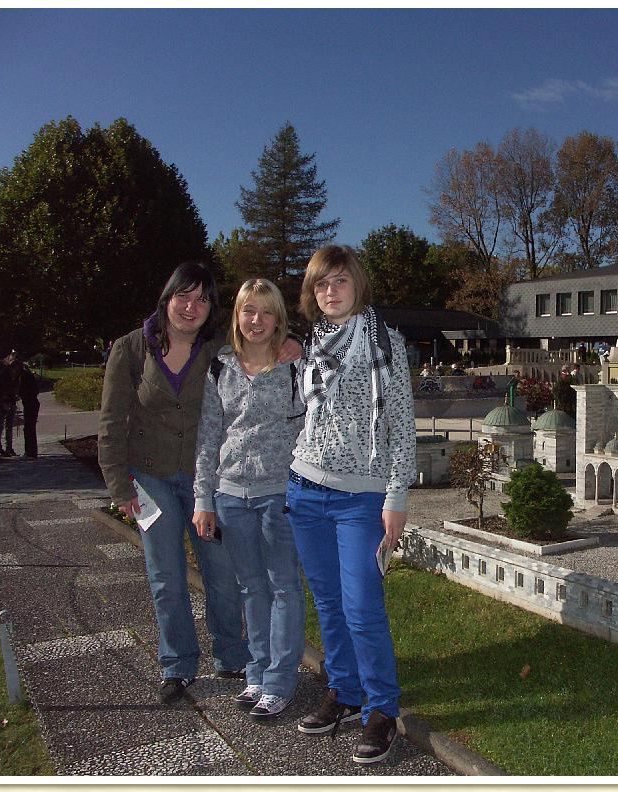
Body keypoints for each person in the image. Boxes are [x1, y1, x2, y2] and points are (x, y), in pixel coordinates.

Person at [98, 262, 257, 705]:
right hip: (150, 480)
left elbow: (267, 339)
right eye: (183, 296)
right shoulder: (131, 348)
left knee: (221, 573)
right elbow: (111, 421)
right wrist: (119, 486)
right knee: (166, 576)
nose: (191, 307)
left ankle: (232, 655)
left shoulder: (220, 350)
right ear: (167, 298)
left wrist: (293, 343)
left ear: (212, 307)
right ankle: (177, 664)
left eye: (202, 299)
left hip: (206, 480)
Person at [287, 245, 416, 765]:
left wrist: (396, 497)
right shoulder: (314, 343)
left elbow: (401, 425)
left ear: (357, 284)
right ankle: (344, 691)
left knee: (362, 608)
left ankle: (381, 708)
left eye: (339, 280)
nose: (330, 291)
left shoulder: (385, 342)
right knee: (328, 603)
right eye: (321, 284)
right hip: (305, 489)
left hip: (360, 497)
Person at [191, 279, 306, 720]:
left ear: (278, 318)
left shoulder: (296, 365)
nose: (256, 320)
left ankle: (280, 680)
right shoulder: (221, 367)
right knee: (251, 587)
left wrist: (300, 343)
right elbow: (208, 436)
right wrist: (203, 498)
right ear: (237, 316)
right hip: (230, 495)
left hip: (279, 493)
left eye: (266, 311)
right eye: (248, 310)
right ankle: (257, 672)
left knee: (283, 586)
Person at [0, 350, 20, 458]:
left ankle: (7, 448)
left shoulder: (12, 372)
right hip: (3, 402)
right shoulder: (2, 372)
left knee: (6, 426)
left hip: (9, 402)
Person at [16, 358, 39, 458]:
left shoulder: (24, 377)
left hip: (30, 403)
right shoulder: (28, 375)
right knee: (30, 427)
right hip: (32, 402)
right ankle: (31, 451)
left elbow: (21, 390)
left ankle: (30, 452)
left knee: (29, 428)